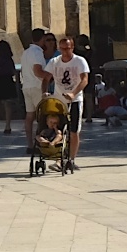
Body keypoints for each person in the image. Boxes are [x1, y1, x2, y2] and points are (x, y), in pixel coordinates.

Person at [46, 34, 91, 167]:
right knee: (58, 129)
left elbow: (84, 79)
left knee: (74, 130)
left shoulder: (79, 61)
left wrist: (74, 93)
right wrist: (45, 91)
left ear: (72, 48)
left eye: (67, 48)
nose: (65, 52)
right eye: (62, 49)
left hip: (75, 100)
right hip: (59, 100)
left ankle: (71, 159)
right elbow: (46, 77)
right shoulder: (55, 61)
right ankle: (59, 158)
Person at [18, 29, 52, 137]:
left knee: (29, 116)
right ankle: (40, 141)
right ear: (42, 39)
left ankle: (30, 144)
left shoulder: (25, 52)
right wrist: (49, 75)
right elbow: (37, 71)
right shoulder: (37, 52)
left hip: (26, 86)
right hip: (36, 87)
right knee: (41, 116)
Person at [0, 39, 20, 133]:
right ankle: (7, 126)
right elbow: (14, 72)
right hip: (8, 82)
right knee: (7, 105)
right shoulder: (10, 59)